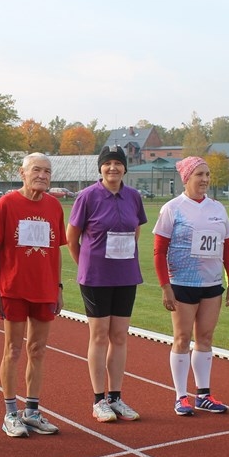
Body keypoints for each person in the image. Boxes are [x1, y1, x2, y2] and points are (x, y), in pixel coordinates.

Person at [66, 145, 148, 423]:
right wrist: (87, 264)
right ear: (100, 168)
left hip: (125, 275)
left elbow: (136, 229)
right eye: (108, 164)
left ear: (125, 168)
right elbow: (72, 237)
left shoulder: (134, 197)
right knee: (100, 336)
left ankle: (116, 396)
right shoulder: (87, 197)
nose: (113, 168)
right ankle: (99, 399)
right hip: (96, 277)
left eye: (118, 163)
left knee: (120, 336)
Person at [0, 153, 66, 438]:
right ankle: (10, 413)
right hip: (13, 289)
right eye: (36, 170)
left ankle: (31, 411)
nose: (42, 175)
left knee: (38, 350)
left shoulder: (54, 206)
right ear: (22, 172)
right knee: (13, 349)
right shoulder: (6, 204)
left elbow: (56, 251)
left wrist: (58, 288)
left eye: (47, 171)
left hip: (44, 290)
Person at [153, 156, 229, 416]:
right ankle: (181, 396)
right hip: (182, 283)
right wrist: (165, 286)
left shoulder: (217, 208)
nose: (204, 180)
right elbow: (159, 252)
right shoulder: (172, 208)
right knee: (182, 338)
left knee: (205, 338)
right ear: (187, 178)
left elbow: (228, 250)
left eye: (207, 174)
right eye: (199, 174)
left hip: (212, 284)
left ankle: (204, 394)